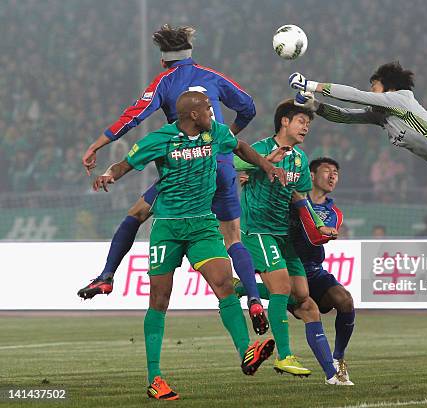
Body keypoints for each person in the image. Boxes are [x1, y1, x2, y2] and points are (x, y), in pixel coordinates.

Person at [77, 24, 268, 334]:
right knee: (233, 236)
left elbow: (134, 116)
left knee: (137, 214)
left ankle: (107, 275)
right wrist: (227, 136)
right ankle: (255, 299)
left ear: (163, 59)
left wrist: (97, 144)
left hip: (185, 169)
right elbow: (248, 107)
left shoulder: (164, 81)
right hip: (221, 164)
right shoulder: (212, 76)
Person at [91, 92, 283, 399]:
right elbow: (126, 164)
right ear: (193, 115)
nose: (212, 112)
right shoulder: (161, 139)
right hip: (167, 227)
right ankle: (155, 378)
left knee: (223, 284)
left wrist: (266, 166)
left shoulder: (215, 133)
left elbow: (242, 147)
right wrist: (107, 174)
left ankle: (246, 350)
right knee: (159, 300)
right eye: (208, 109)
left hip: (203, 225)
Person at [289, 61, 427, 337]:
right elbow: (346, 116)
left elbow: (354, 95)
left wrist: (311, 84)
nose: (370, 90)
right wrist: (315, 106)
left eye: (373, 85)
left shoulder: (400, 100)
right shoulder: (382, 115)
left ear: (387, 86)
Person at [234, 100, 352, 385]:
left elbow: (300, 199)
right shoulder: (260, 148)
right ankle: (284, 355)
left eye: (308, 124)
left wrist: (319, 224)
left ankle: (332, 375)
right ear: (284, 122)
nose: (306, 127)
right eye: (301, 121)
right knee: (283, 287)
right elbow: (230, 162)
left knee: (304, 298)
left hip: (284, 236)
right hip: (259, 231)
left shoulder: (299, 158)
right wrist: (250, 169)